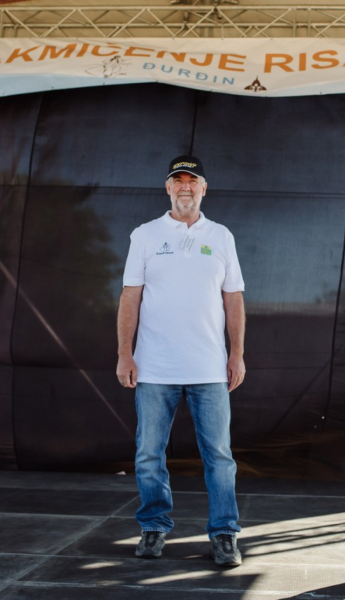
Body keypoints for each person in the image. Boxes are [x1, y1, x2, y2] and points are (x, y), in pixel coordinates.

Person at [116, 154, 247, 567]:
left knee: (220, 457)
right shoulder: (146, 235)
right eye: (178, 181)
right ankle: (154, 527)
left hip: (210, 367)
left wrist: (237, 354)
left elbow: (234, 299)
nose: (185, 187)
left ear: (204, 188)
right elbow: (129, 298)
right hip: (154, 367)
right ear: (168, 188)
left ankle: (225, 534)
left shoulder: (222, 236)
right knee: (149, 453)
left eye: (193, 181)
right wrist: (124, 353)